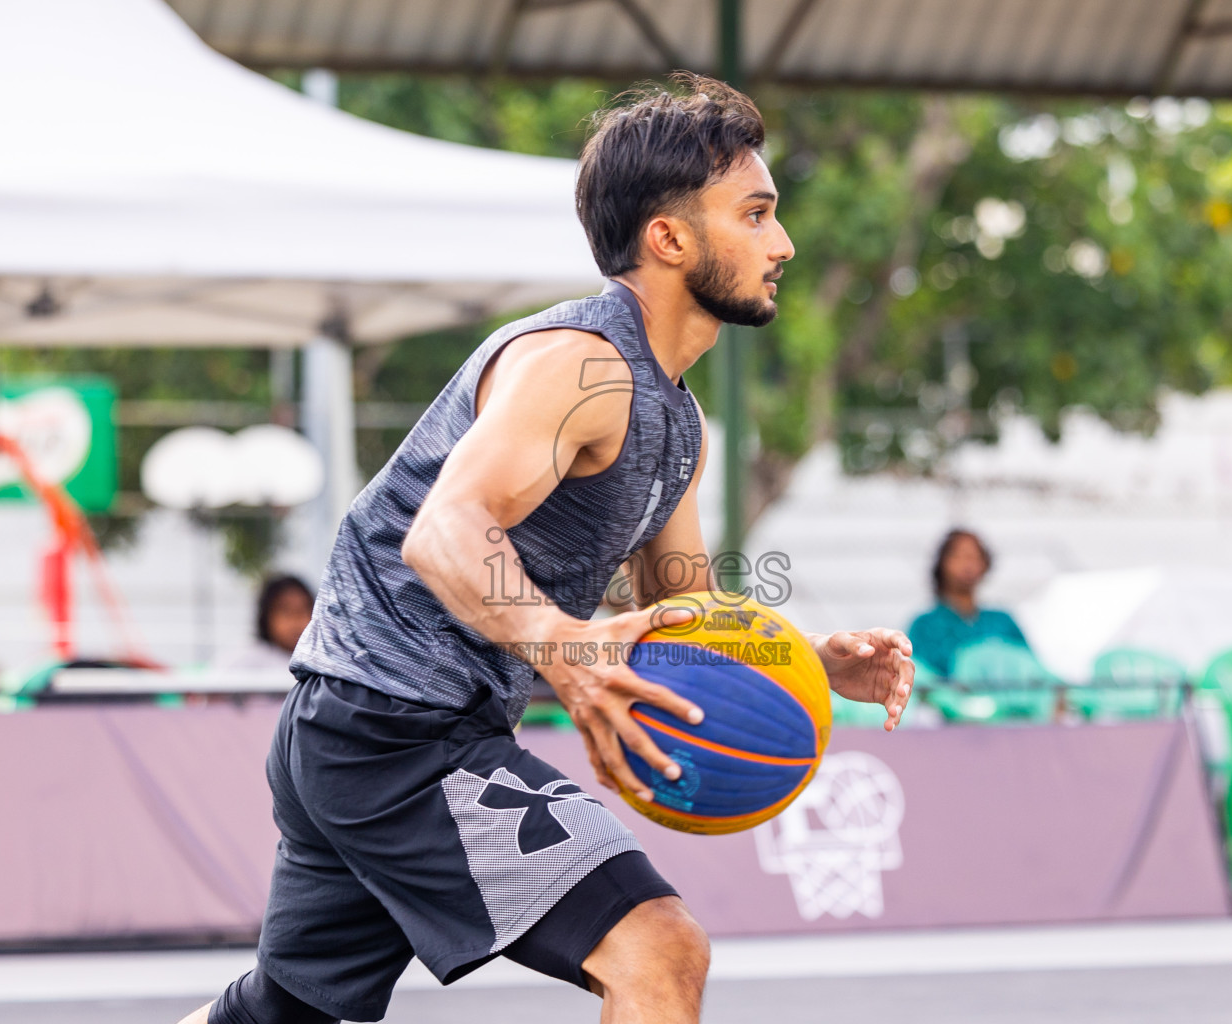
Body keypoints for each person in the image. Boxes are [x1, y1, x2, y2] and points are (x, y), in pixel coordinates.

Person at [180, 75, 914, 1024]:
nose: (784, 243)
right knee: (659, 948)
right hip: (397, 730)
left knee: (288, 1015)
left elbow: (683, 604)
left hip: (363, 728)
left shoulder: (677, 418)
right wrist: (566, 647)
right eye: (758, 213)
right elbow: (443, 532)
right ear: (670, 237)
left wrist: (800, 664)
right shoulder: (578, 365)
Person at [906, 528, 1029, 678]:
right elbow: (918, 679)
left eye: (975, 556)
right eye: (959, 556)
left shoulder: (1002, 621)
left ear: (985, 565)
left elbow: (1032, 672)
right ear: (942, 564)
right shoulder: (925, 626)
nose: (968, 564)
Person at [217, 575, 315, 671]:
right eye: (286, 611)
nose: (295, 621)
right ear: (266, 616)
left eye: (302, 611)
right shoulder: (247, 660)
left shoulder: (317, 663)